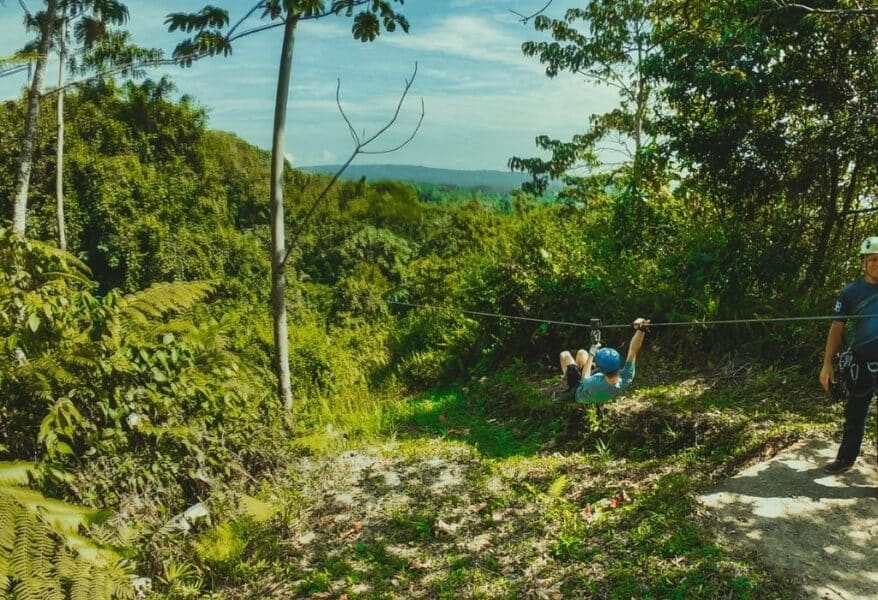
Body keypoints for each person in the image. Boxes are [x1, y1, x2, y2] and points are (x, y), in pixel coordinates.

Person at [819, 236, 878, 474]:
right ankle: (846, 459)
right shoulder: (850, 292)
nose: (877, 264)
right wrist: (827, 364)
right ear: (863, 261)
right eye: (873, 259)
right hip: (861, 363)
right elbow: (836, 328)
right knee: (854, 413)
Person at [560, 318, 650, 404]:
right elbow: (633, 350)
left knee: (564, 354)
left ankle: (569, 383)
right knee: (582, 353)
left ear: (599, 370)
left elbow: (584, 379)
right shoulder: (626, 377)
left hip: (580, 392)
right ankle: (576, 371)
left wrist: (592, 352)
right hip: (598, 391)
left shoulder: (593, 383)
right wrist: (641, 330)